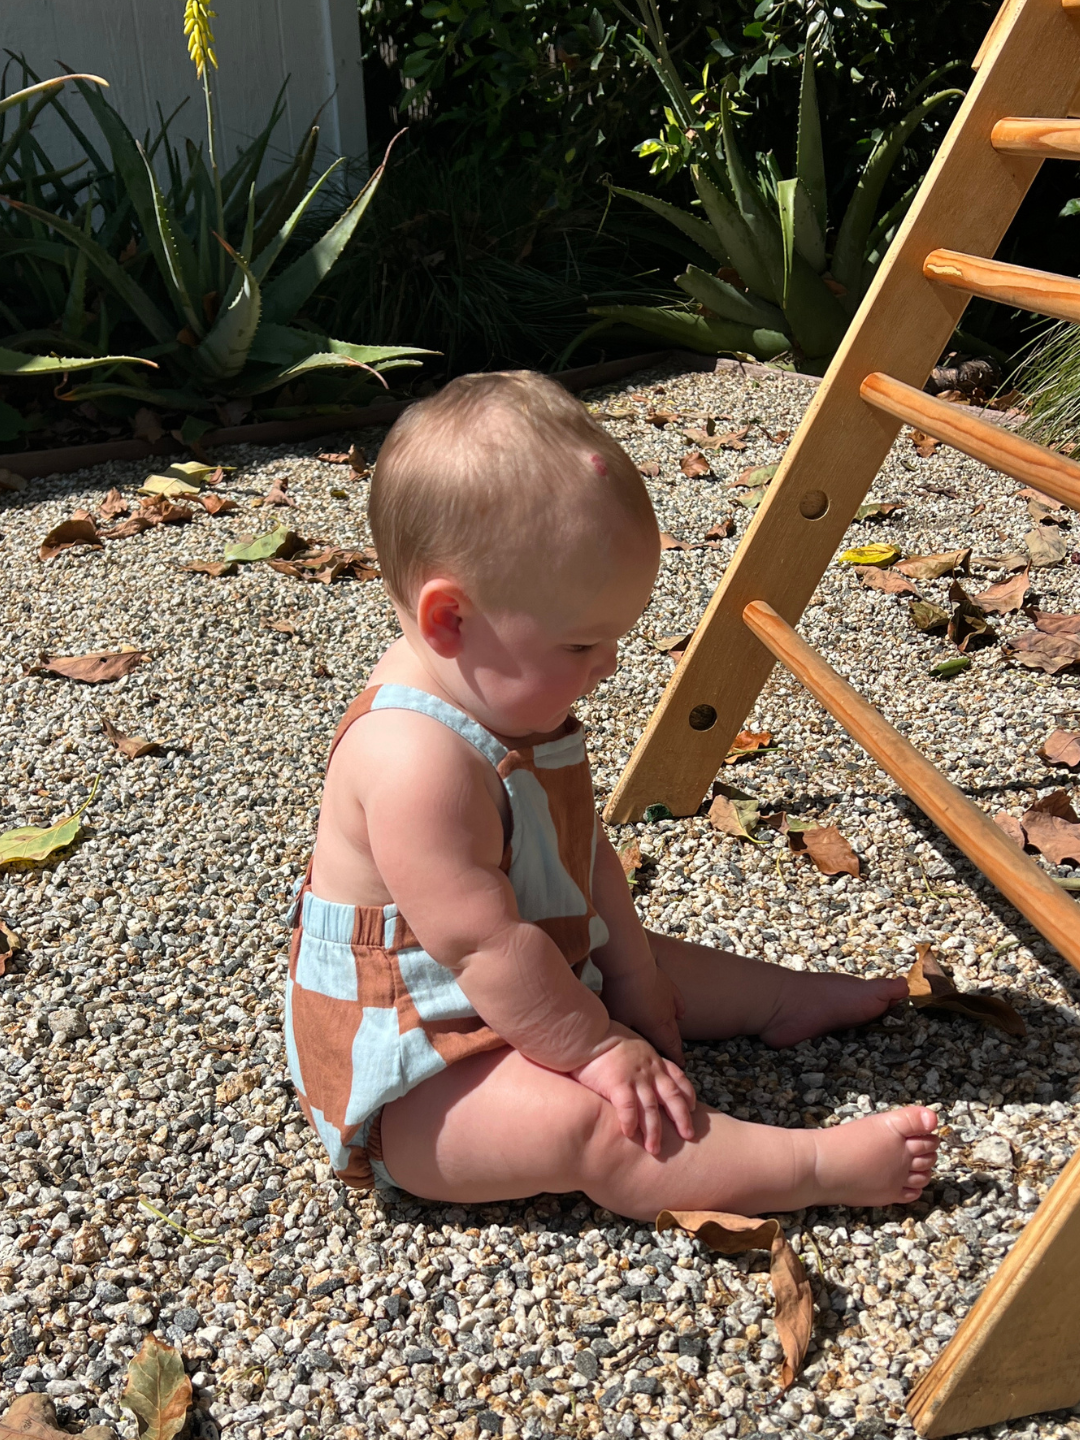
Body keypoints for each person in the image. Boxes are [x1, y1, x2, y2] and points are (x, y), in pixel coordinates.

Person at [284, 371, 938, 1222]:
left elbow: (580, 855)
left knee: (655, 962)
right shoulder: (414, 761)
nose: (610, 666)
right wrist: (596, 1046)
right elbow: (483, 948)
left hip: (530, 967)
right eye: (583, 644)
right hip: (424, 1065)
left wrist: (631, 977)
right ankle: (808, 1165)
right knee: (596, 1125)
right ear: (450, 621)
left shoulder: (503, 692)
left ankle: (781, 998)